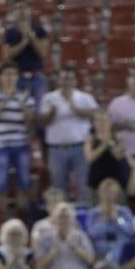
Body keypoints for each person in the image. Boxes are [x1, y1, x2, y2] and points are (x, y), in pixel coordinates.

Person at [40, 67, 98, 204]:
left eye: (69, 78)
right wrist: (52, 113)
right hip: (56, 149)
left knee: (84, 186)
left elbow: (97, 114)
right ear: (58, 80)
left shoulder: (84, 97)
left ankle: (84, 220)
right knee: (59, 189)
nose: (66, 82)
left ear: (75, 81)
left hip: (80, 148)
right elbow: (42, 121)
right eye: (63, 78)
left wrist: (77, 110)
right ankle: (61, 219)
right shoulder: (49, 98)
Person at [0, 62, 35, 213]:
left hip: (21, 145)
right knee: (0, 186)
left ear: (17, 77)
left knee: (24, 184)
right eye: (7, 74)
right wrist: (5, 100)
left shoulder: (26, 97)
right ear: (1, 77)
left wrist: (22, 104)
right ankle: (1, 219)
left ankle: (22, 218)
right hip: (0, 146)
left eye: (13, 75)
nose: (10, 78)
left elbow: (30, 123)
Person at [86, 178, 134, 269]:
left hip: (121, 260)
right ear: (100, 194)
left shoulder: (124, 212)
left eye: (112, 192)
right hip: (101, 261)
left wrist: (117, 219)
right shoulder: (94, 214)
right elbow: (91, 234)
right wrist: (104, 220)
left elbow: (130, 231)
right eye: (106, 192)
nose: (109, 196)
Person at [3, 0, 49, 109]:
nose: (21, 11)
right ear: (14, 12)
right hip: (17, 78)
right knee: (17, 110)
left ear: (30, 10)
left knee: (39, 112)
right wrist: (23, 42)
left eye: (24, 7)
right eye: (18, 8)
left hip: (37, 77)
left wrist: (31, 36)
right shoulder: (10, 32)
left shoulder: (40, 31)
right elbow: (7, 56)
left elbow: (43, 53)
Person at [83, 110, 128, 196]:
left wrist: (109, 143)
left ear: (110, 122)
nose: (102, 123)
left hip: (116, 179)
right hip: (96, 180)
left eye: (105, 120)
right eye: (99, 120)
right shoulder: (90, 139)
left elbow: (118, 156)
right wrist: (103, 145)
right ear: (94, 123)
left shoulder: (118, 137)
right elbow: (89, 158)